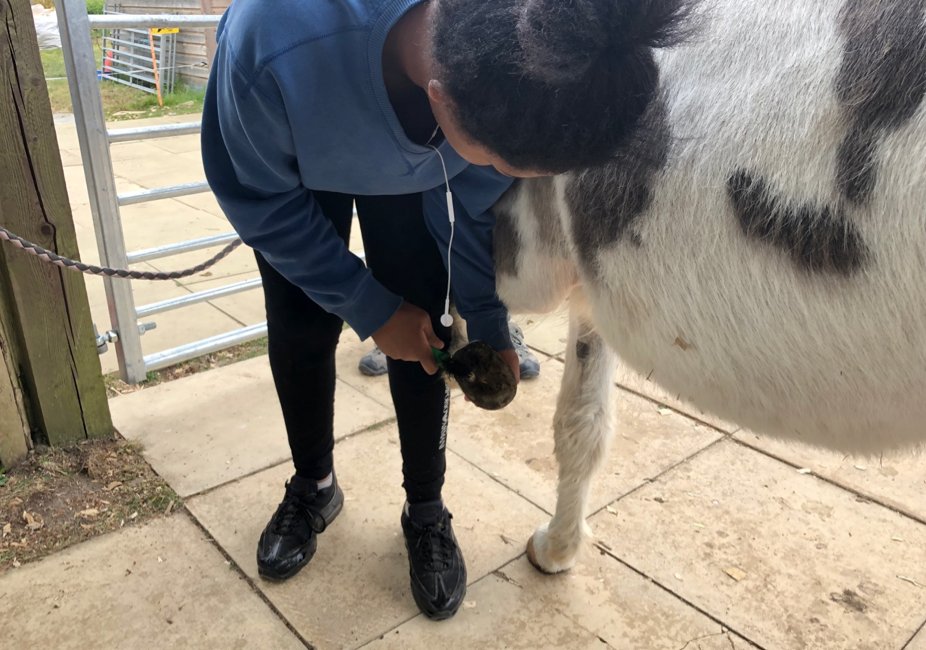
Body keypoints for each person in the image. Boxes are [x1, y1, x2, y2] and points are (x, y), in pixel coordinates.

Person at [203, 0, 670, 621]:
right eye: (497, 163)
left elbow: (473, 208)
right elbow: (256, 196)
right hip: (305, 138)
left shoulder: (510, 63)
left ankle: (425, 508)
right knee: (301, 324)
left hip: (416, 159)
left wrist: (489, 318)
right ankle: (313, 485)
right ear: (444, 101)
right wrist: (369, 306)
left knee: (429, 330)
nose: (496, 175)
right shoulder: (269, 41)